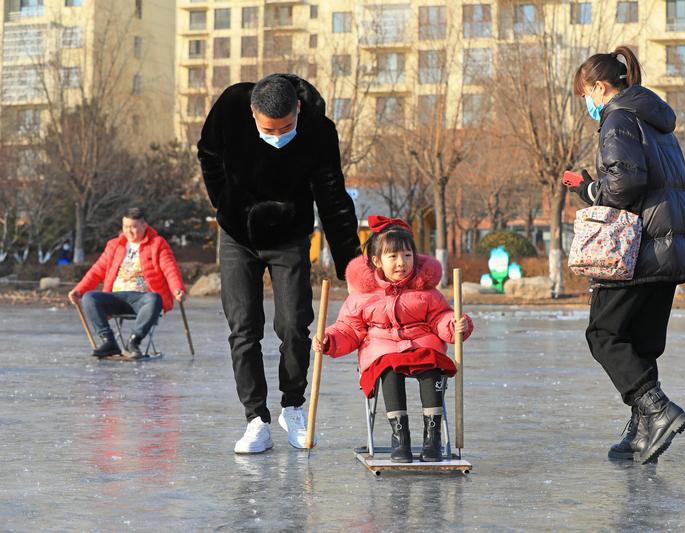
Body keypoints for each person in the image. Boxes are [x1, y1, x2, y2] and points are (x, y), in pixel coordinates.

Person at [197, 73, 360, 453]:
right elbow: (207, 153)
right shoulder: (230, 109)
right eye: (270, 128)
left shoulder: (318, 130)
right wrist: (227, 203)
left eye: (287, 126)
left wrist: (351, 265)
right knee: (243, 327)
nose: (279, 134)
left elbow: (333, 197)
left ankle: (293, 406)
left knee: (294, 324)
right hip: (238, 236)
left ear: (298, 109)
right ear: (252, 113)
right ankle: (256, 419)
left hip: (290, 236)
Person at [564, 46, 685, 464]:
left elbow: (624, 186)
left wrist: (588, 190)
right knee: (641, 343)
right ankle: (643, 432)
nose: (586, 104)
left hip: (639, 248)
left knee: (604, 334)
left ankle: (657, 411)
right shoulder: (657, 121)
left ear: (598, 87)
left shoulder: (618, 118)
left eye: (585, 95)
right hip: (672, 244)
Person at [313, 216, 474, 463]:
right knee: (389, 370)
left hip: (421, 346)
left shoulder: (426, 292)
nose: (402, 263)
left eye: (408, 256)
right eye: (393, 257)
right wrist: (329, 340)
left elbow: (440, 319)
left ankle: (432, 438)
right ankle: (401, 438)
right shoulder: (362, 296)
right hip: (381, 352)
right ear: (377, 261)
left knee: (433, 367)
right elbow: (349, 329)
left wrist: (454, 325)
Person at [68, 208, 187, 360]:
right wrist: (79, 290)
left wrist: (177, 289)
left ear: (145, 226)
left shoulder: (157, 244)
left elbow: (170, 268)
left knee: (155, 298)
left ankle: (134, 341)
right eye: (125, 227)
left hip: (143, 299)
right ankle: (109, 341)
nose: (128, 231)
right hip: (116, 297)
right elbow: (97, 271)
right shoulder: (114, 245)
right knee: (89, 298)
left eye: (133, 227)